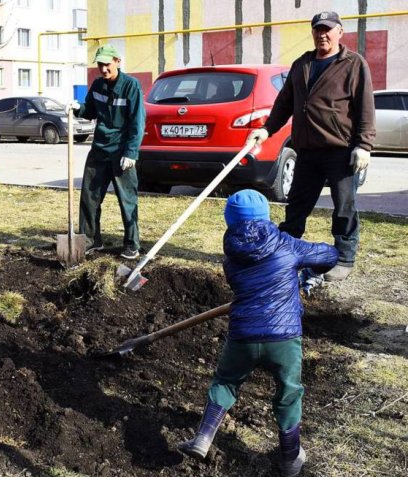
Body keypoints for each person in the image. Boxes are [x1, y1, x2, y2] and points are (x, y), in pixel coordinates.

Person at [178, 189, 337, 477]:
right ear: (266, 216)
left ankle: (203, 437)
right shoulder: (287, 245)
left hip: (244, 336)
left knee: (226, 382)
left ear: (230, 221)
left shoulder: (231, 259)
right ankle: (290, 459)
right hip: (284, 338)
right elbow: (329, 255)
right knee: (289, 393)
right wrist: (309, 272)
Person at [248, 11, 375, 283]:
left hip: (340, 151)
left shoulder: (353, 64)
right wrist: (266, 129)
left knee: (344, 206)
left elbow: (365, 106)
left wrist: (363, 145)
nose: (323, 34)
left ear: (340, 32)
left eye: (328, 29)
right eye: (318, 29)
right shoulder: (302, 63)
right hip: (306, 150)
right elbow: (284, 103)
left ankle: (343, 257)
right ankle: (284, 250)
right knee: (297, 204)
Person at [71, 44, 146, 259]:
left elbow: (137, 122)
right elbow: (91, 111)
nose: (103, 69)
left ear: (117, 62)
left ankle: (132, 243)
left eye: (107, 64)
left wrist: (131, 153)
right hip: (99, 149)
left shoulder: (131, 86)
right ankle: (90, 239)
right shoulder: (97, 85)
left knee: (127, 199)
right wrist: (78, 108)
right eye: (100, 65)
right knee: (89, 196)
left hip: (121, 152)